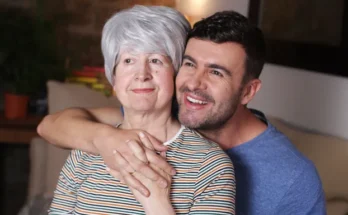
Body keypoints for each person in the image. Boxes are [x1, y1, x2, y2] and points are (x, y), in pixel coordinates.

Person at [39, 9, 326, 215]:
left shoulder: (291, 177)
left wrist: (156, 199)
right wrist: (102, 139)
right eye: (189, 64)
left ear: (248, 91)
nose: (194, 84)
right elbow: (51, 125)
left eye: (216, 72)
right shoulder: (152, 113)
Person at [48, 5, 236, 215]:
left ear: (176, 74)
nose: (142, 74)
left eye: (156, 60)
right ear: (114, 78)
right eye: (128, 61)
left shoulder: (210, 166)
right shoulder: (85, 153)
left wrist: (157, 203)